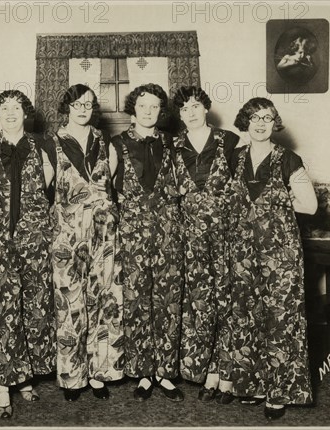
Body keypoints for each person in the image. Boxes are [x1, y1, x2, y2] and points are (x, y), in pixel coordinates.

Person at [228, 97, 316, 420]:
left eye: (267, 117)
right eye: (254, 118)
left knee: (280, 321)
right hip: (244, 254)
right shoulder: (236, 157)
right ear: (246, 122)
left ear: (274, 123)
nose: (261, 123)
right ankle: (253, 385)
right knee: (248, 318)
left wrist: (277, 205)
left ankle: (279, 392)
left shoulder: (288, 159)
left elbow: (309, 205)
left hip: (281, 256)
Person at [0, 90, 56, 418]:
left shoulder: (44, 146)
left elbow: (49, 188)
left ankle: (26, 376)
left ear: (26, 113)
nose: (10, 113)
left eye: (17, 107)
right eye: (4, 108)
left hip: (36, 238)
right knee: (4, 305)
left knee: (35, 303)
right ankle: (3, 384)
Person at [46, 84, 124, 402]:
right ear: (67, 107)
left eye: (88, 104)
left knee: (103, 301)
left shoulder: (105, 142)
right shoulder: (51, 143)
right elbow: (45, 190)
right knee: (70, 304)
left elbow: (112, 186)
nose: (83, 108)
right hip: (67, 236)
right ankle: (71, 376)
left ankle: (98, 373)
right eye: (77, 104)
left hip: (104, 235)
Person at [111, 83, 184, 402]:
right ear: (133, 107)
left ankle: (165, 372)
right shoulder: (115, 144)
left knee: (168, 299)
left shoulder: (174, 143)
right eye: (143, 105)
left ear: (161, 110)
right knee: (137, 299)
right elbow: (105, 189)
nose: (148, 111)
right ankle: (142, 373)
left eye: (155, 106)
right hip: (132, 232)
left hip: (169, 230)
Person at [172, 86, 240, 404]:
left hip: (226, 234)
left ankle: (226, 374)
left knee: (228, 300)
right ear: (179, 114)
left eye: (196, 105)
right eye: (184, 108)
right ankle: (207, 371)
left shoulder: (229, 141)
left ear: (206, 108)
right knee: (202, 303)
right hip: (191, 237)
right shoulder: (173, 146)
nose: (191, 112)